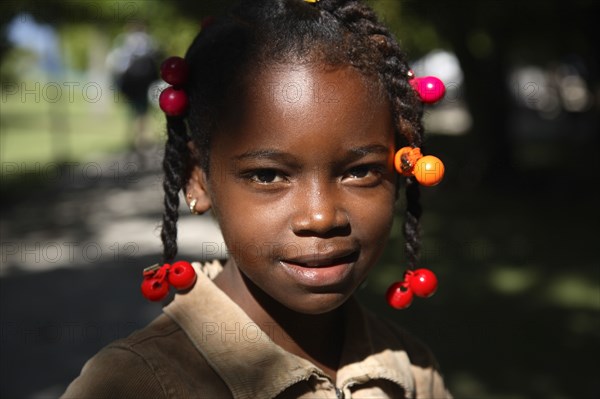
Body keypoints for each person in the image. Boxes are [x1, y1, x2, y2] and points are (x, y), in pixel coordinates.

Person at [62, 0, 451, 397]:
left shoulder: (412, 370)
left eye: (360, 171)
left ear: (402, 169)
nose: (320, 216)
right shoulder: (134, 384)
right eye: (268, 175)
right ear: (197, 179)